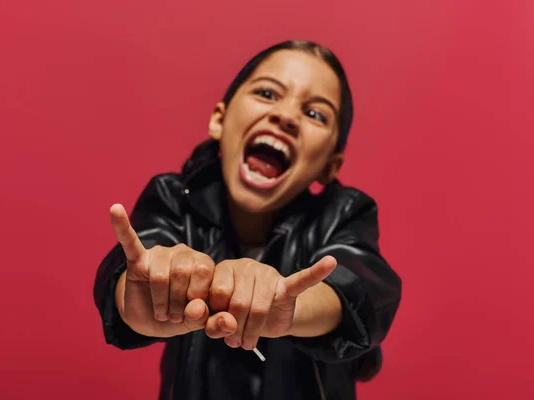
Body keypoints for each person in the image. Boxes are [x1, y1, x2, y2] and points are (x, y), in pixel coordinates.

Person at [93, 40, 402, 400]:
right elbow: (136, 268)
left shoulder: (343, 213)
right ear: (219, 120)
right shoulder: (174, 197)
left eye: (316, 114)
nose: (286, 116)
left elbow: (364, 290)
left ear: (330, 166)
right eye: (268, 93)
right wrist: (143, 292)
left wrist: (288, 308)